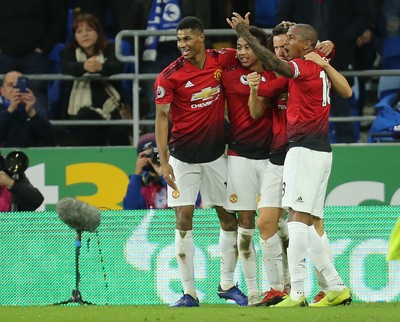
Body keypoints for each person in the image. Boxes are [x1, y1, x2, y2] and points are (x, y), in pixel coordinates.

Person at [227, 12, 352, 307]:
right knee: (307, 222)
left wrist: (246, 35)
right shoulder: (320, 66)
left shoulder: (303, 65)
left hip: (303, 149)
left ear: (307, 44)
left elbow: (275, 63)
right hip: (320, 150)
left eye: (291, 40)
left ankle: (296, 292)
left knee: (297, 219)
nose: (284, 45)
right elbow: (344, 89)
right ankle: (335, 286)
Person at [154, 16, 247, 307]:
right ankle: (189, 293)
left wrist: (243, 32)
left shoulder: (221, 59)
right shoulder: (169, 76)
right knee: (183, 218)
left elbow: (255, 52)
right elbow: (161, 117)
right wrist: (164, 160)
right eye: (179, 39)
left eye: (187, 39)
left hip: (216, 154)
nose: (182, 44)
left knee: (227, 218)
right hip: (182, 157)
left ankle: (228, 284)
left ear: (202, 37)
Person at [222, 25, 275, 306]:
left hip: (271, 157)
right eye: (239, 47)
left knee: (277, 224)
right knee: (245, 224)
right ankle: (253, 291)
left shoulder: (275, 74)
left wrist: (328, 44)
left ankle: (282, 286)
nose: (242, 52)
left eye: (248, 47)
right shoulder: (228, 77)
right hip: (239, 157)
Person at [275, 0, 369, 143]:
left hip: (338, 55)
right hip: (301, 59)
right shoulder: (295, 53)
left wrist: (339, 41)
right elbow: (282, 16)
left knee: (341, 103)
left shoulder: (327, 55)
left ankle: (347, 141)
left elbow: (362, 16)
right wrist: (294, 41)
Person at [60, 13, 131, 146]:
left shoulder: (109, 48)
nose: (84, 34)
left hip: (112, 108)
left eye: (89, 30)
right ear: (75, 36)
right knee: (87, 118)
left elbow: (117, 66)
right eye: (79, 31)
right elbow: (66, 67)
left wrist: (101, 67)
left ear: (97, 31)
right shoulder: (68, 52)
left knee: (117, 133)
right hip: (79, 111)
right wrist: (84, 66)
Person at [0, 0, 67, 118]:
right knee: (3, 101)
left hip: (34, 57)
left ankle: (39, 135)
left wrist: (44, 46)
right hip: (4, 56)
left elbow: (58, 17)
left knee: (36, 101)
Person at [0, 71, 55, 148]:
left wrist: (32, 113)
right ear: (2, 91)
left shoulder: (33, 110)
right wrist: (10, 110)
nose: (15, 89)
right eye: (10, 85)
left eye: (18, 85)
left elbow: (49, 138)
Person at [123, 133, 167, 209]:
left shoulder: (177, 178)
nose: (151, 160)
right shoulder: (140, 185)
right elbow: (130, 211)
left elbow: (182, 202)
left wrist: (165, 175)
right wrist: (137, 175)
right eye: (146, 156)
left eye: (155, 155)